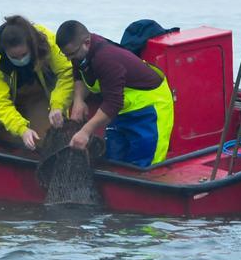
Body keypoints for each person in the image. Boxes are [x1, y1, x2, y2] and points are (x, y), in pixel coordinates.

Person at [56, 20, 174, 167]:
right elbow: (78, 73)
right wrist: (79, 100)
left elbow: (113, 103)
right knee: (113, 158)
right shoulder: (79, 54)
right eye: (65, 55)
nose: (69, 59)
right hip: (122, 109)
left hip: (149, 108)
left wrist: (85, 132)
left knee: (144, 164)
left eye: (71, 54)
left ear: (87, 42)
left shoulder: (106, 59)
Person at [0, 15, 75, 151]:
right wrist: (22, 129)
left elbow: (66, 73)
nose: (20, 60)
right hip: (12, 103)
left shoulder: (48, 42)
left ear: (31, 46)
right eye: (14, 57)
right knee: (10, 141)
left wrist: (58, 105)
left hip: (42, 98)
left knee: (45, 141)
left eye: (24, 54)